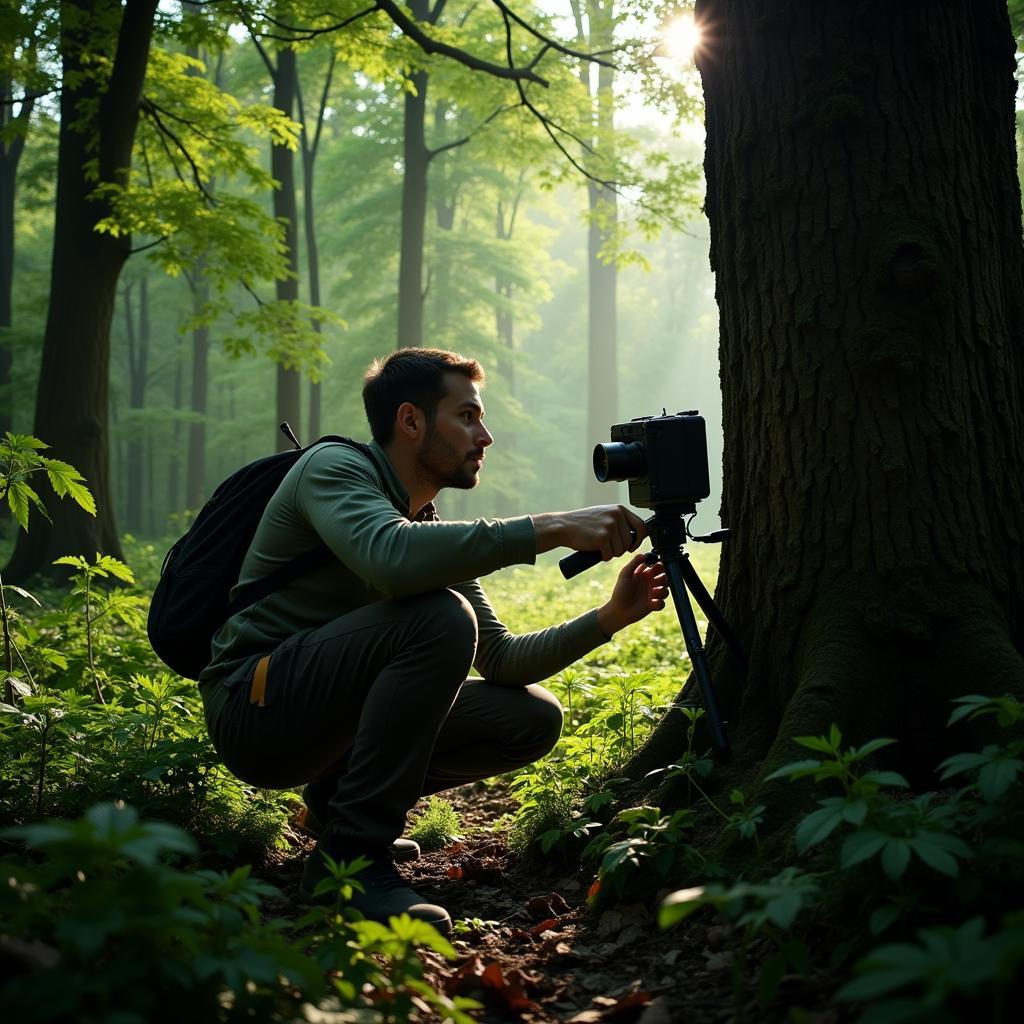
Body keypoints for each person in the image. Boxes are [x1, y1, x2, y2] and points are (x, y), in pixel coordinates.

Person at [198, 347, 667, 934]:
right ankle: (350, 860)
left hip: (319, 717)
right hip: (254, 708)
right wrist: (549, 527)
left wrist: (608, 618)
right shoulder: (333, 470)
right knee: (441, 618)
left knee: (529, 718)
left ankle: (336, 811)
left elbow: (500, 660)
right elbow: (388, 560)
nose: (485, 435)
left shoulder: (424, 529)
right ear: (411, 421)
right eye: (467, 416)